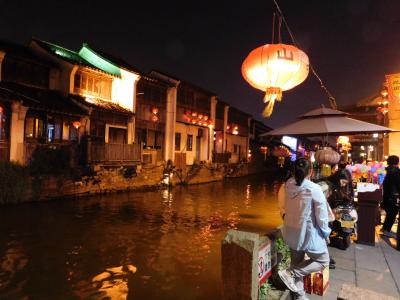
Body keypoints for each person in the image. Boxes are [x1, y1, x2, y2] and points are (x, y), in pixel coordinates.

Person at [277, 158, 331, 300]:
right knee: (323, 261)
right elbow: (322, 217)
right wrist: (326, 232)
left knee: (297, 262)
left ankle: (299, 295)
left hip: (291, 230)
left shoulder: (286, 185)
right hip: (308, 233)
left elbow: (282, 208)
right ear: (311, 171)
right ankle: (291, 273)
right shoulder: (314, 189)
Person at [381, 155, 400, 238]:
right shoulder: (396, 171)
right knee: (392, 213)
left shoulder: (388, 171)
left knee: (390, 213)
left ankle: (385, 228)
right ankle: (386, 230)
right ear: (397, 162)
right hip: (393, 196)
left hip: (387, 195)